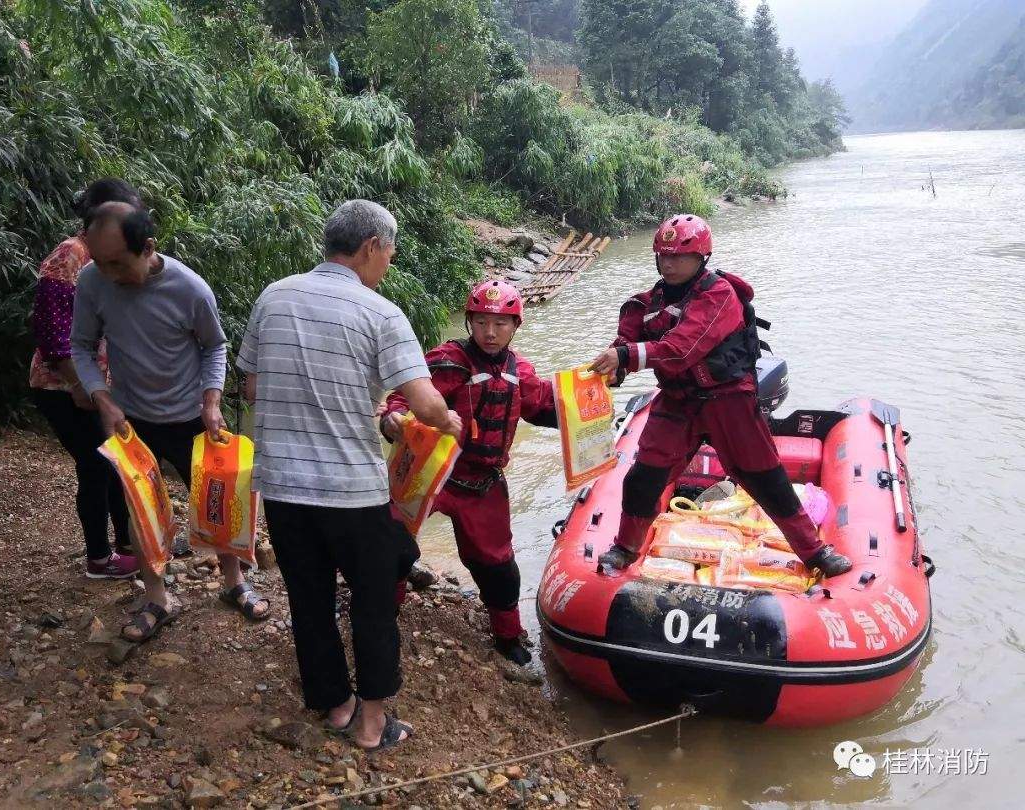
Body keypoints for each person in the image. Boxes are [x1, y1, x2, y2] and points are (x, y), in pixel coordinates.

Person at [236, 199, 461, 752]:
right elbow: (425, 403)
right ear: (369, 249)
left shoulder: (274, 296)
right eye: (389, 252)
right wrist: (450, 421)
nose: (388, 262)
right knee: (372, 601)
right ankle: (372, 724)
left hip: (284, 487)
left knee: (308, 597)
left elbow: (249, 388)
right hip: (351, 492)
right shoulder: (379, 312)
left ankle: (336, 706)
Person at [588, 214, 852, 577]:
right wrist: (613, 368)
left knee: (766, 479)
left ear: (702, 258)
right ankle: (624, 548)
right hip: (678, 401)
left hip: (729, 401)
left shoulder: (719, 296)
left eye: (679, 256)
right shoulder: (642, 306)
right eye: (663, 255)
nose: (669, 263)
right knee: (643, 478)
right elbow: (624, 345)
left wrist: (626, 357)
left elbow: (681, 349)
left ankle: (815, 552)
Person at [71, 201, 271, 642]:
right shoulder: (92, 280)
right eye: (100, 262)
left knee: (217, 499)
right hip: (129, 420)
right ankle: (157, 597)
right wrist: (102, 399)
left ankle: (233, 582)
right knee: (138, 508)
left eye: (119, 264)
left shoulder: (190, 289)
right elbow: (81, 347)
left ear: (148, 248)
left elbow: (214, 347)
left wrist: (212, 399)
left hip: (189, 416)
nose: (109, 274)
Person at [380, 280, 557, 666]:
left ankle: (508, 636)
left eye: (501, 323)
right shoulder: (448, 360)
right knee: (392, 544)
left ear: (516, 325)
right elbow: (404, 395)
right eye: (481, 322)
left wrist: (590, 403)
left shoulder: (520, 371)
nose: (490, 333)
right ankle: (382, 616)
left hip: (483, 483)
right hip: (432, 472)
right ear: (469, 322)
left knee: (498, 568)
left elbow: (545, 406)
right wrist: (392, 417)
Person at [29, 179, 143, 579]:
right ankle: (99, 557)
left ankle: (128, 542)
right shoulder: (70, 255)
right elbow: (51, 331)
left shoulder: (104, 262)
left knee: (115, 463)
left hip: (96, 386)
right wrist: (79, 385)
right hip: (63, 387)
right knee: (96, 466)